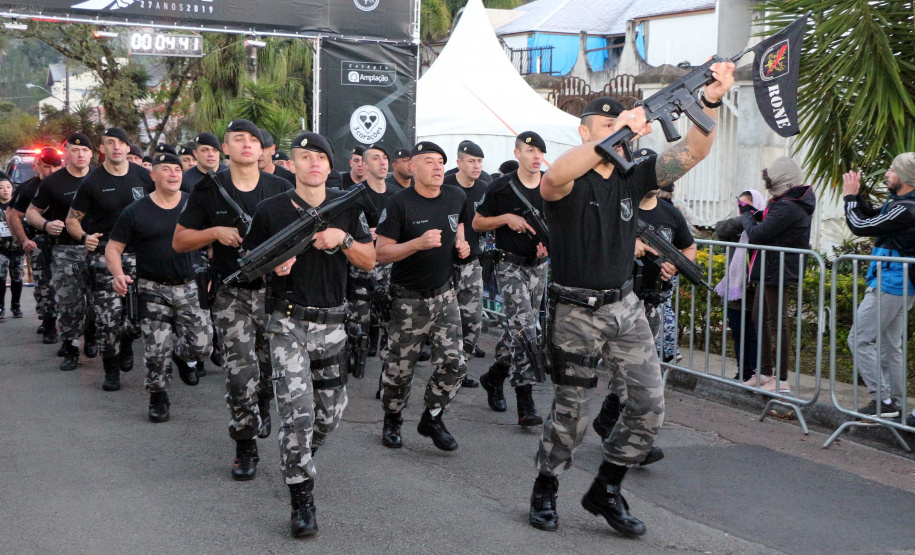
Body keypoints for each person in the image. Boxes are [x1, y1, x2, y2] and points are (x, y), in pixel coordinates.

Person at [531, 60, 733, 537]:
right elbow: (553, 178)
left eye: (621, 123)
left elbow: (694, 151)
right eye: (604, 125)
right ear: (584, 131)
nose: (618, 132)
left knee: (649, 403)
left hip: (625, 307)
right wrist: (619, 130)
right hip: (575, 310)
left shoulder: (634, 176)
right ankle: (546, 485)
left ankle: (606, 487)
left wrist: (711, 101)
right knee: (571, 412)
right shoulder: (567, 177)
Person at [245, 132, 375, 537]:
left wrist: (344, 239)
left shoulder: (348, 207)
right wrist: (273, 267)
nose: (313, 163)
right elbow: (249, 265)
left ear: (329, 164)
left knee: (331, 413)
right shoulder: (270, 210)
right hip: (287, 324)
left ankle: (300, 454)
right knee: (298, 414)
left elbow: (370, 260)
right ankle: (302, 498)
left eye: (320, 157)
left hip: (333, 325)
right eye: (304, 157)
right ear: (292, 164)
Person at [174, 119, 291, 481]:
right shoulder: (210, 190)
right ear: (225, 149)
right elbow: (180, 240)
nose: (246, 144)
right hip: (232, 293)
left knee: (270, 367)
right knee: (240, 374)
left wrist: (291, 258)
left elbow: (301, 235)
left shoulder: (281, 188)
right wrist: (213, 232)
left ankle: (263, 404)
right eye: (237, 139)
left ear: (263, 149)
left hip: (275, 293)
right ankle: (245, 445)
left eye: (252, 140)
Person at [591, 166, 698, 466]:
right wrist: (628, 245)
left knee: (637, 374)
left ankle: (608, 422)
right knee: (628, 377)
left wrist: (676, 266)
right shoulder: (618, 206)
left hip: (651, 303)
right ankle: (632, 441)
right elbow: (594, 243)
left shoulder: (670, 213)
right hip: (618, 303)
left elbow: (689, 247)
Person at [375, 141, 471, 451]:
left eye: (441, 161)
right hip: (408, 300)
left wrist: (462, 244)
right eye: (428, 161)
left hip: (444, 296)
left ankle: (432, 416)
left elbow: (458, 225)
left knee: (456, 363)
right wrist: (417, 244)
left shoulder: (456, 195)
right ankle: (392, 418)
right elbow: (381, 253)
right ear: (413, 168)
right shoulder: (399, 203)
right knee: (401, 369)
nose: (438, 166)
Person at [106, 152, 212, 421]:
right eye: (166, 169)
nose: (174, 174)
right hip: (152, 288)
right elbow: (113, 248)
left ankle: (181, 356)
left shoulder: (195, 205)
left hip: (190, 286)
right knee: (155, 350)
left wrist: (214, 274)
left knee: (202, 346)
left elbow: (212, 244)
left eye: (177, 169)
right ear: (153, 175)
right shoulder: (136, 211)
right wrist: (118, 275)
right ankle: (158, 397)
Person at [65, 127, 156, 391]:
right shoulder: (92, 181)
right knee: (108, 319)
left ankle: (127, 340)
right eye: (110, 143)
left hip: (141, 256)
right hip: (104, 257)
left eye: (121, 143)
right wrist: (84, 237)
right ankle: (112, 369)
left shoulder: (144, 177)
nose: (116, 147)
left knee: (141, 317)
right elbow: (72, 219)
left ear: (129, 147)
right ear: (103, 149)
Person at [473, 131, 550, 426]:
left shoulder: (551, 186)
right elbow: (478, 222)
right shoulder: (501, 188)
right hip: (510, 266)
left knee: (518, 328)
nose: (536, 156)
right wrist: (506, 218)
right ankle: (525, 400)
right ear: (517, 153)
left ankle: (494, 377)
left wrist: (549, 248)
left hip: (539, 266)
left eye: (539, 151)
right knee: (525, 329)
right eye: (530, 151)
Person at [842, 154, 915, 420]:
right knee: (889, 344)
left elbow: (860, 226)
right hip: (897, 282)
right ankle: (894, 402)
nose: (886, 173)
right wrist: (858, 196)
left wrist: (849, 198)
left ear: (906, 178)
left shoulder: (907, 208)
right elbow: (874, 217)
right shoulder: (901, 203)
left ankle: (884, 400)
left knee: (859, 339)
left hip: (892, 283)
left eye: (892, 170)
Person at [740, 157, 816, 394]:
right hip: (771, 267)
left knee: (777, 321)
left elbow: (758, 234)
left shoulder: (788, 206)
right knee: (759, 317)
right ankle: (764, 373)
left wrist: (745, 214)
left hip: (778, 268)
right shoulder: (786, 202)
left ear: (781, 180)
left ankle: (781, 379)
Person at [27, 134, 96, 371]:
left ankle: (92, 330)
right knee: (69, 302)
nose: (80, 155)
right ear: (65, 153)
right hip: (65, 250)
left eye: (85, 150)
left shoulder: (101, 178)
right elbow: (31, 212)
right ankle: (71, 346)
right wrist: (45, 225)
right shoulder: (53, 182)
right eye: (74, 150)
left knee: (99, 302)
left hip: (98, 250)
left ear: (91, 154)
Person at [346, 144, 396, 360]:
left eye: (385, 157)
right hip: (360, 271)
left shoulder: (397, 196)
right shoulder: (352, 196)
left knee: (392, 325)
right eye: (376, 158)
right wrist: (363, 235)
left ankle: (387, 383)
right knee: (358, 325)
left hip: (390, 269)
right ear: (364, 165)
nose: (383, 162)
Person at [444, 140, 489, 378]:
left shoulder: (485, 187)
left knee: (473, 320)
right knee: (448, 323)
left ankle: (462, 368)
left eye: (479, 161)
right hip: (445, 263)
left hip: (472, 263)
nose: (476, 166)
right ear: (459, 162)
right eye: (471, 161)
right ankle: (449, 372)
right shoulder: (446, 185)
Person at [7, 147, 62, 339]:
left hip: (66, 241)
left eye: (56, 166)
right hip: (39, 241)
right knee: (43, 283)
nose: (51, 171)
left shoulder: (68, 182)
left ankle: (69, 322)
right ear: (36, 165)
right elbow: (13, 215)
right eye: (47, 167)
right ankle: (48, 323)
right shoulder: (28, 188)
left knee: (69, 284)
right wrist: (23, 240)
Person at [714, 190, 766, 380]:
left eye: (747, 207)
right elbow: (719, 230)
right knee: (738, 334)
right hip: (735, 293)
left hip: (755, 293)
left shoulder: (763, 228)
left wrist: (753, 220)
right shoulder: (736, 229)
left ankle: (755, 373)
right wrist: (744, 219)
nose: (742, 211)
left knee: (753, 336)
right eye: (740, 207)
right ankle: (742, 372)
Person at [0, 173, 24, 319]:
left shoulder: (17, 206)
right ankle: (0, 307)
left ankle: (16, 306)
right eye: (1, 187)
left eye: (8, 187)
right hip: (0, 248)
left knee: (16, 278)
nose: (5, 190)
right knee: (0, 277)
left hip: (17, 248)